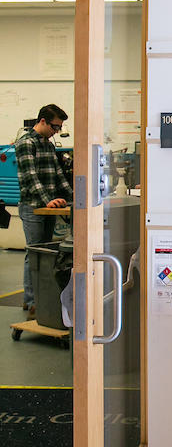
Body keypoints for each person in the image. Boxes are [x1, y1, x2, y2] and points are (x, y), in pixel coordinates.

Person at [14, 104, 72, 313]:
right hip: (32, 208)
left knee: (46, 254)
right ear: (42, 121)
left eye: (59, 128)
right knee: (34, 254)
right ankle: (31, 301)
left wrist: (75, 197)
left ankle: (42, 298)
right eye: (55, 127)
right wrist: (48, 200)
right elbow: (31, 177)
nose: (57, 131)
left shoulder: (48, 145)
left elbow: (58, 175)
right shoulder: (25, 144)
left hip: (48, 207)